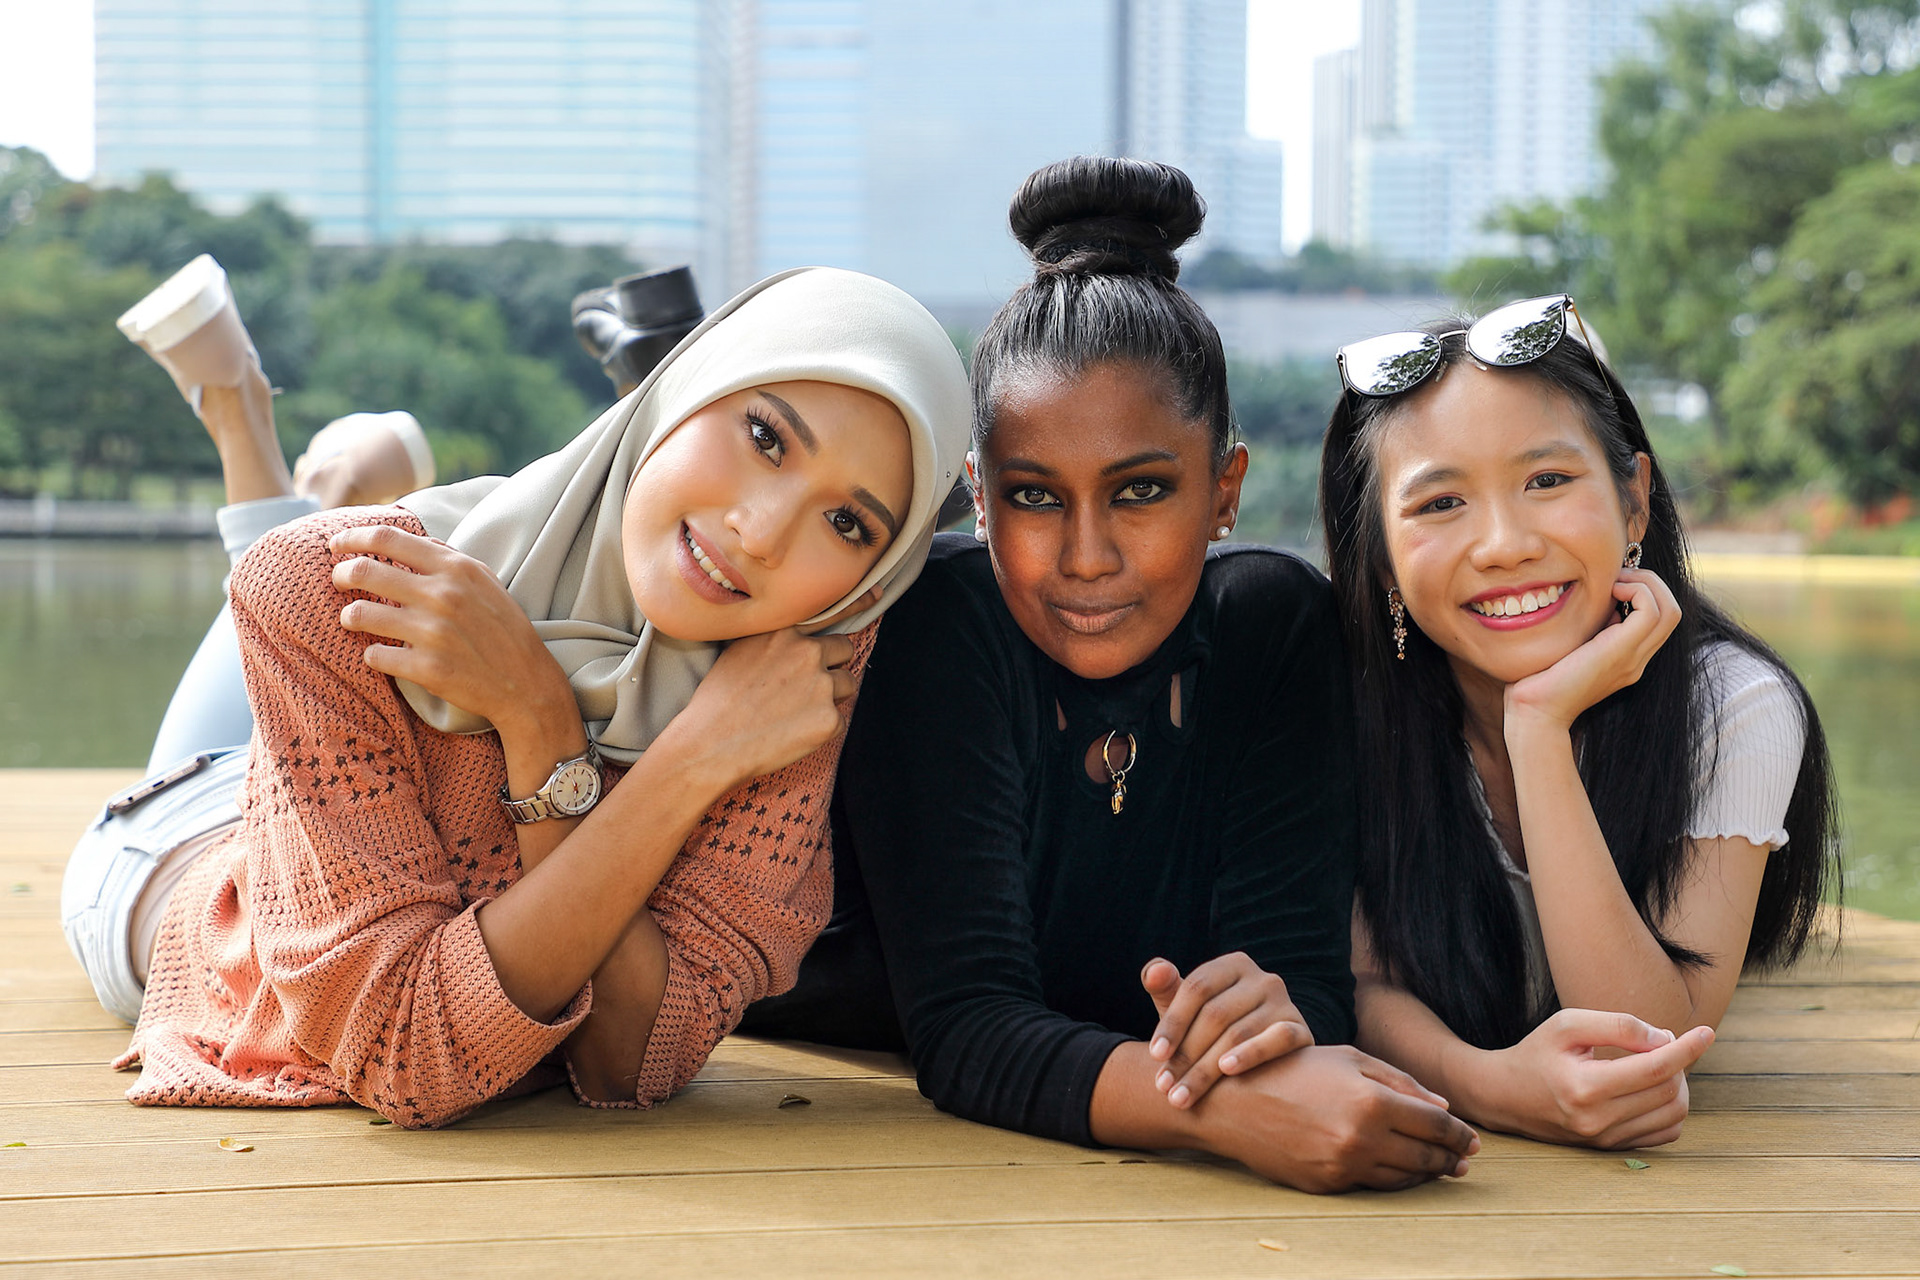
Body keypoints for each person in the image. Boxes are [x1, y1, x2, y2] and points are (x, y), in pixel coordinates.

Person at [60, 254, 969, 1127]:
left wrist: (553, 727)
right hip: (183, 858)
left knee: (326, 577)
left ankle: (341, 474)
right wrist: (619, 736)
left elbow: (631, 1060)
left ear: (873, 576)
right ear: (684, 390)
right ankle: (244, 414)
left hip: (335, 771)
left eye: (848, 523)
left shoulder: (799, 667)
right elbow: (404, 1054)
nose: (762, 535)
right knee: (303, 573)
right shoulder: (317, 588)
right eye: (765, 436)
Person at [743, 157, 1481, 1194]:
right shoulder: (941, 626)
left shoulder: (1275, 627)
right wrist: (1222, 1109)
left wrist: (1267, 1016)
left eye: (1140, 490)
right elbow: (967, 1031)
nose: (1088, 555)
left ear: (1225, 489)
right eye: (1036, 497)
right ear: (979, 497)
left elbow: (1306, 980)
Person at [1313, 296, 1838, 1148]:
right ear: (1377, 555)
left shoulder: (1734, 706)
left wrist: (1539, 731)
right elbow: (1362, 979)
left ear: (1635, 503)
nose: (1505, 544)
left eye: (1547, 482)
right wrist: (1486, 1084)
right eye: (1439, 503)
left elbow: (1643, 1041)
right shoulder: (1349, 698)